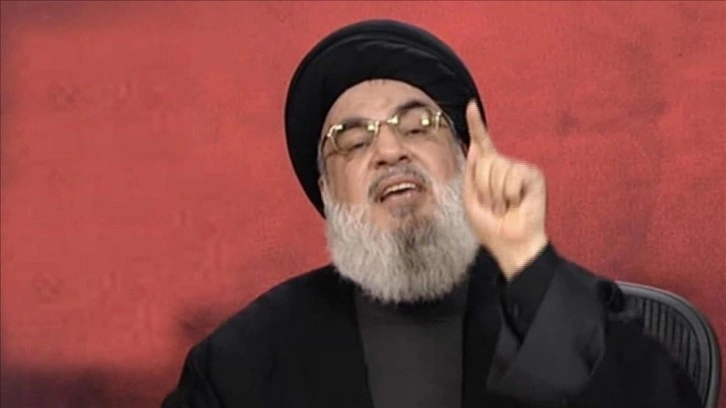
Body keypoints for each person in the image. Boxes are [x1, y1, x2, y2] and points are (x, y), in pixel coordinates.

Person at [162, 19, 701, 408]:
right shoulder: (241, 363)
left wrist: (529, 265)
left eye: (418, 126)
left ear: (465, 161)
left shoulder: (555, 309)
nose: (390, 150)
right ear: (326, 193)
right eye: (353, 141)